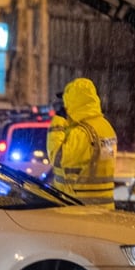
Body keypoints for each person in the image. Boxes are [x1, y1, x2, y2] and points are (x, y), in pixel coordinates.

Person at [46, 77, 118, 205]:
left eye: (66, 102)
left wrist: (57, 122)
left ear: (75, 103)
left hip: (80, 207)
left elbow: (57, 158)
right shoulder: (105, 127)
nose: (64, 106)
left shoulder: (83, 133)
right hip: (102, 206)